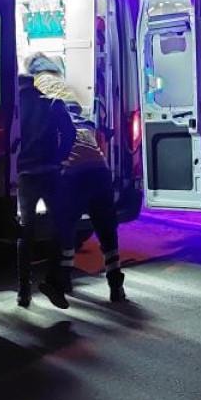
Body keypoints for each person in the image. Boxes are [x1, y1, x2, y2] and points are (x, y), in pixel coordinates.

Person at [16, 73, 76, 310]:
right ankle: (53, 281)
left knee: (26, 232)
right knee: (60, 227)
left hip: (25, 175)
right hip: (50, 173)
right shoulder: (52, 104)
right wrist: (59, 158)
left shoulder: (14, 108)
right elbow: (70, 134)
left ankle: (23, 290)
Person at [57, 109, 128, 302]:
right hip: (100, 173)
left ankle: (64, 280)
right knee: (107, 233)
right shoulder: (88, 124)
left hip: (75, 176)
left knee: (67, 227)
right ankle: (116, 287)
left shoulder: (58, 122)